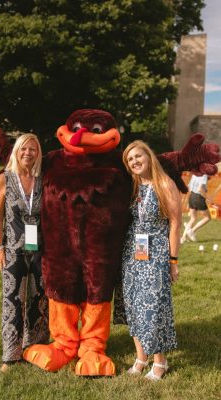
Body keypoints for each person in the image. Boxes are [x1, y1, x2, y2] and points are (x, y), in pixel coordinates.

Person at [121, 140, 181, 381]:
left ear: (149, 156)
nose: (134, 162)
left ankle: (160, 361)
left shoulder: (165, 184)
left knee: (154, 308)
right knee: (133, 306)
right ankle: (140, 357)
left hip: (156, 252)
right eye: (130, 159)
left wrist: (173, 260)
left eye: (138, 156)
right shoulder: (133, 186)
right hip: (132, 253)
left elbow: (176, 223)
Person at [0, 133, 49, 372]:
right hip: (13, 250)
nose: (28, 153)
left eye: (33, 150)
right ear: (17, 151)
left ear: (38, 154)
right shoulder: (5, 179)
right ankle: (10, 355)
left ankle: (34, 348)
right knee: (13, 300)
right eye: (24, 149)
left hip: (40, 250)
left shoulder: (43, 179)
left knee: (39, 299)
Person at [181, 174, 211, 243]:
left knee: (193, 218)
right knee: (207, 217)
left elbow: (189, 187)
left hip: (192, 196)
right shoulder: (204, 175)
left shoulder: (195, 174)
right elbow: (200, 189)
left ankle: (183, 238)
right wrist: (208, 198)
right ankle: (192, 231)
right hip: (198, 197)